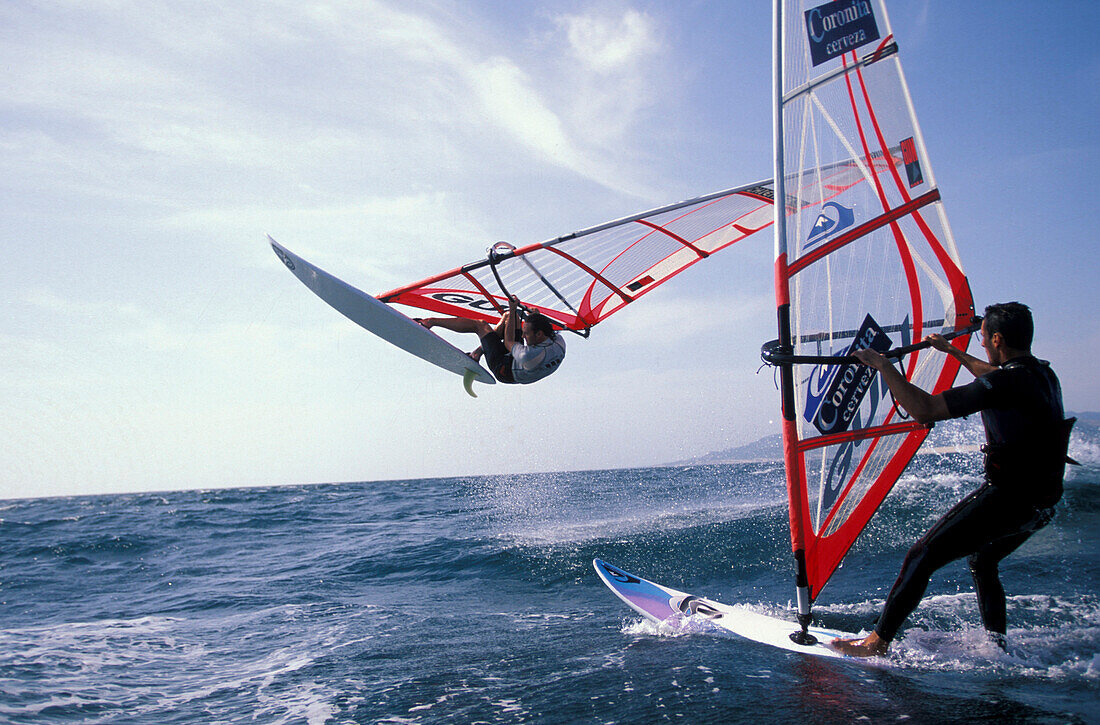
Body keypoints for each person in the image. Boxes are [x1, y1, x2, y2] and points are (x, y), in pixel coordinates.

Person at [832, 302, 1073, 657]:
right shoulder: (1041, 374)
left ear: (996, 338)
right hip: (1043, 500)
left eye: (982, 340)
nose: (981, 346)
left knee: (921, 555)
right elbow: (991, 374)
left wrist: (884, 366)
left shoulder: (1003, 383)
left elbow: (925, 409)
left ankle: (877, 642)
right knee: (983, 560)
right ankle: (997, 645)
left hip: (1010, 497)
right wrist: (953, 351)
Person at [418, 296, 566, 385]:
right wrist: (534, 316)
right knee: (509, 316)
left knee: (480, 325)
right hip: (520, 363)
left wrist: (514, 309)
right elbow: (539, 326)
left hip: (505, 370)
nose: (524, 336)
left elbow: (508, 342)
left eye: (526, 334)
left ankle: (431, 322)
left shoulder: (528, 355)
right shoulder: (558, 341)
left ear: (539, 334)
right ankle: (477, 353)